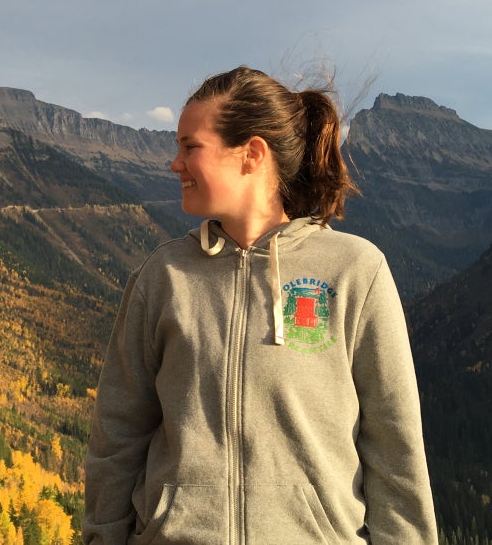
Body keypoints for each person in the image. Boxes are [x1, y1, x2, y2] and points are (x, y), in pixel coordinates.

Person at [83, 66, 437, 544]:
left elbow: (395, 448)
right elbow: (116, 436)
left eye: (191, 147)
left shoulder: (354, 271)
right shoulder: (161, 278)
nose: (175, 163)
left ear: (251, 154)